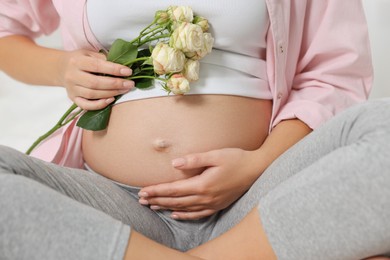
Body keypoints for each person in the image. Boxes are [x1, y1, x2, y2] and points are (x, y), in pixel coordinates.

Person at [0, 0, 389, 259]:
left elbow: (334, 73)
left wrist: (258, 165)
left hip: (259, 195)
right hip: (116, 206)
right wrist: (61, 68)